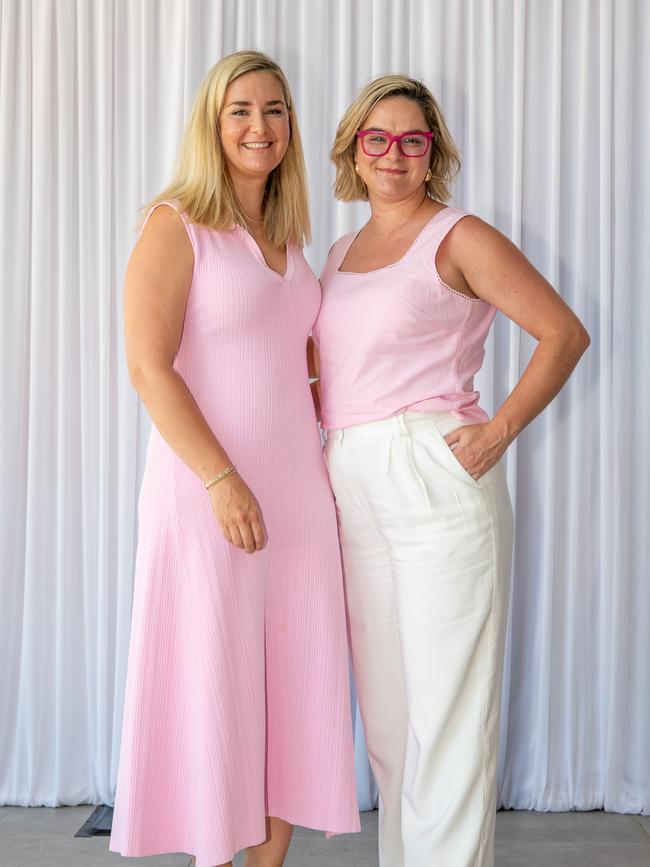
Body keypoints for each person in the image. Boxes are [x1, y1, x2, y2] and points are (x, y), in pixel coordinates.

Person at [312, 74, 590, 867]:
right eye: (377, 139)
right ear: (353, 152)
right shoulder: (340, 251)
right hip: (353, 474)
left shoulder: (459, 235)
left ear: (433, 153)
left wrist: (496, 431)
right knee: (393, 723)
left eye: (413, 139)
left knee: (451, 715)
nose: (394, 154)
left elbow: (563, 333)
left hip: (433, 472)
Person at [109, 50, 359, 867]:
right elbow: (148, 366)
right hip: (210, 494)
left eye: (276, 110)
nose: (261, 126)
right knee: (218, 688)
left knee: (294, 684)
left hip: (298, 495)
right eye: (241, 110)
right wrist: (221, 480)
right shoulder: (176, 223)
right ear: (212, 125)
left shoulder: (288, 236)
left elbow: (297, 360)